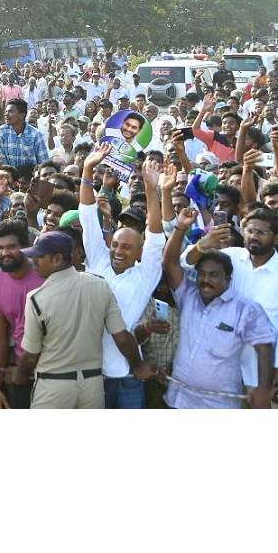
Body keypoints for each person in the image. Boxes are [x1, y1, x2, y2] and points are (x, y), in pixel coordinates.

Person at [15, 231, 154, 409]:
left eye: (39, 256)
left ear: (57, 259)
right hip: (92, 388)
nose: (33, 261)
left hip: (53, 387)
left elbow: (31, 355)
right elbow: (122, 337)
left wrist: (20, 372)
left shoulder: (36, 299)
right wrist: (139, 366)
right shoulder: (100, 285)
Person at [162, 208, 276, 408]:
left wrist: (264, 389)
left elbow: (265, 349)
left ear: (228, 278)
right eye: (202, 274)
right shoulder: (188, 296)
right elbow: (170, 262)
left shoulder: (245, 311)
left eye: (213, 275)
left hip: (218, 405)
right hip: (178, 399)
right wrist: (180, 228)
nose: (206, 280)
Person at [78, 145, 165, 408]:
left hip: (127, 376)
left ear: (139, 252)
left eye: (127, 247)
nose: (118, 250)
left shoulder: (145, 276)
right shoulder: (98, 262)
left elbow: (155, 237)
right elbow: (87, 216)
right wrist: (87, 169)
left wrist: (151, 189)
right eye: (115, 244)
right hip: (90, 376)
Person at [0, 221, 42, 409]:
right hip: (20, 377)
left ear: (26, 247)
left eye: (12, 247)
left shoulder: (46, 276)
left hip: (54, 375)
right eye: (0, 247)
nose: (5, 252)